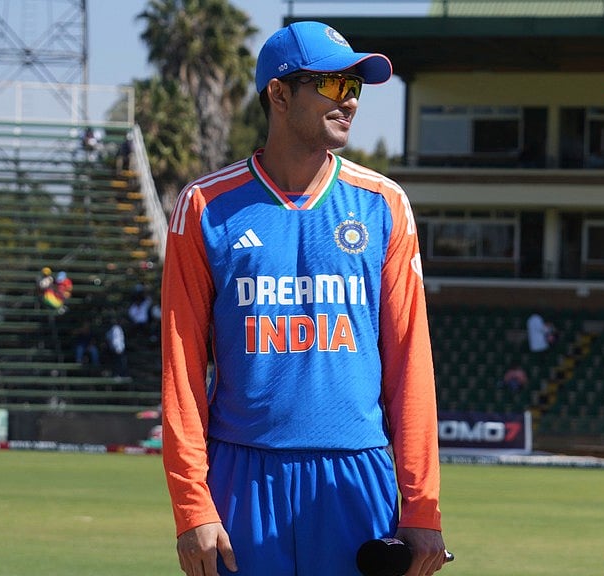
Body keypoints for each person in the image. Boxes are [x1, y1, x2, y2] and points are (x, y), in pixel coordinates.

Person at [160, 21, 445, 576]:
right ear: (279, 93)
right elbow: (181, 369)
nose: (352, 102)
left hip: (355, 472)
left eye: (356, 88)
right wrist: (191, 504)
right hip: (241, 473)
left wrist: (421, 503)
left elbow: (411, 364)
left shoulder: (383, 203)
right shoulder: (204, 206)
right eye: (335, 86)